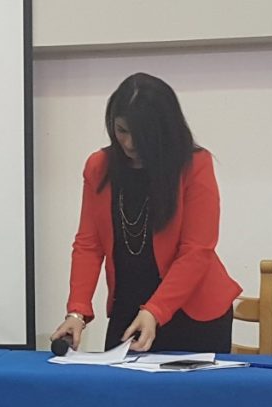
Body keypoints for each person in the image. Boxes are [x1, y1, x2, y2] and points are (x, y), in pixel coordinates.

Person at [51, 73, 242, 353]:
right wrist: (77, 311)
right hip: (129, 309)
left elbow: (197, 251)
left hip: (193, 315)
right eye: (121, 130)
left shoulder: (194, 165)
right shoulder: (99, 167)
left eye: (141, 135)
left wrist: (155, 310)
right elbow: (88, 244)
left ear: (164, 130)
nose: (129, 143)